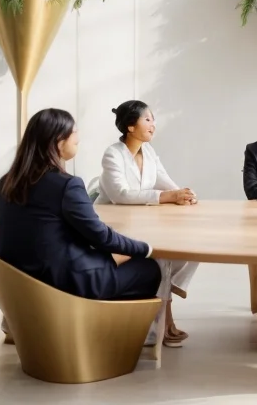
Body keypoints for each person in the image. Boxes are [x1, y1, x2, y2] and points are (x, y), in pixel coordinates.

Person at [0, 108, 161, 305]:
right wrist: (145, 248)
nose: (78, 137)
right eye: (73, 131)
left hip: (17, 279)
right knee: (148, 269)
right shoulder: (66, 184)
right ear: (58, 140)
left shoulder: (8, 181)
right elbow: (101, 237)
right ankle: (104, 328)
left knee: (114, 258)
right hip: (63, 282)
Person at [95, 100, 198, 348]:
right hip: (114, 227)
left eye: (153, 119)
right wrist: (166, 197)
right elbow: (120, 194)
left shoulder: (149, 152)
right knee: (161, 256)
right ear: (131, 126)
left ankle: (166, 299)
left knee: (191, 247)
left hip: (142, 221)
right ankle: (164, 321)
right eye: (148, 119)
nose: (153, 125)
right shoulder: (113, 154)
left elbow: (164, 180)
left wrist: (182, 193)